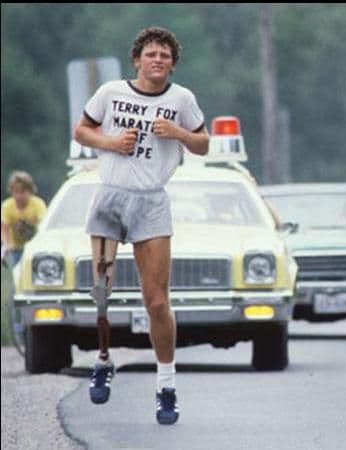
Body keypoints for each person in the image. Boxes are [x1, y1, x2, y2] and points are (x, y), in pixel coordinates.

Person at [73, 26, 209, 425]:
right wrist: (111, 143)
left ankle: (166, 385)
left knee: (157, 301)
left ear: (172, 64)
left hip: (151, 201)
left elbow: (203, 144)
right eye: (151, 54)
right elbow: (81, 129)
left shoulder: (181, 99)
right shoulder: (112, 93)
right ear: (137, 59)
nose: (157, 60)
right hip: (111, 195)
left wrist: (179, 133)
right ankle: (102, 360)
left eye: (165, 56)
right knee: (101, 289)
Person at [1, 171, 47, 267]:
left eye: (22, 192)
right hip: (16, 248)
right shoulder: (7, 206)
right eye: (15, 192)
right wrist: (6, 246)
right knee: (18, 273)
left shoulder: (38, 204)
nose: (18, 196)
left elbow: (43, 224)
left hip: (35, 247)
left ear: (30, 191)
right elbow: (4, 228)